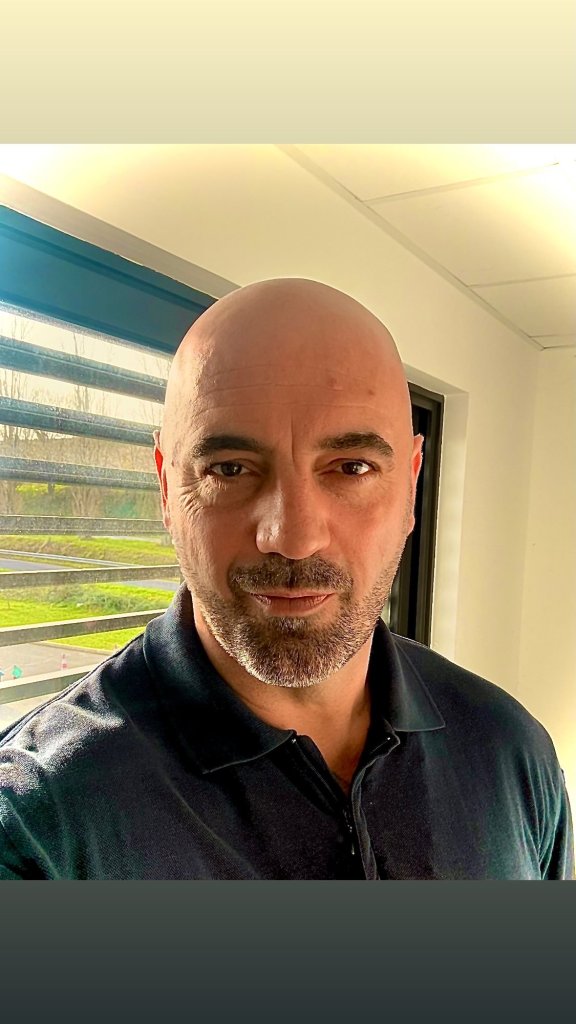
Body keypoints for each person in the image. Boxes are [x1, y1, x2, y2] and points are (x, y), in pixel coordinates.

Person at [0, 279, 573, 880]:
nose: (293, 538)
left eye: (351, 467)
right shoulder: (38, 827)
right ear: (167, 487)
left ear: (410, 486)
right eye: (229, 469)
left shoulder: (511, 752)